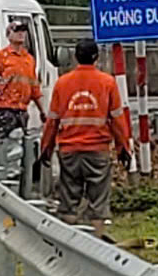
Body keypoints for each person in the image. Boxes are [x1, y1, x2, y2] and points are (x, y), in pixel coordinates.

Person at [40, 37, 130, 235]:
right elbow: (117, 120)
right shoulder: (107, 83)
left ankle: (69, 242)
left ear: (75, 57)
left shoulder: (62, 83)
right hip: (98, 151)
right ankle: (96, 242)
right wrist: (124, 148)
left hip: (69, 151)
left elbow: (52, 120)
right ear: (96, 57)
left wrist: (45, 148)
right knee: (98, 202)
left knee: (69, 200)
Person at [0, 17, 45, 184]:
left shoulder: (29, 59)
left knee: (21, 148)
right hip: (5, 109)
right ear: (8, 34)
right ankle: (3, 180)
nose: (21, 35)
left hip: (22, 110)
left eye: (23, 31)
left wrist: (42, 111)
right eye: (17, 31)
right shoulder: (0, 57)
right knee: (4, 147)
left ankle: (17, 181)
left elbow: (34, 88)